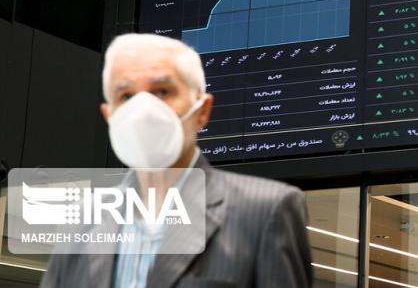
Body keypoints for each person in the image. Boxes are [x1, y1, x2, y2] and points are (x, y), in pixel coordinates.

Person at [41, 33, 313, 287]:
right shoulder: (80, 223)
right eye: (126, 96)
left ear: (202, 110)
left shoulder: (266, 211)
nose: (143, 111)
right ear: (109, 115)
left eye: (162, 92)